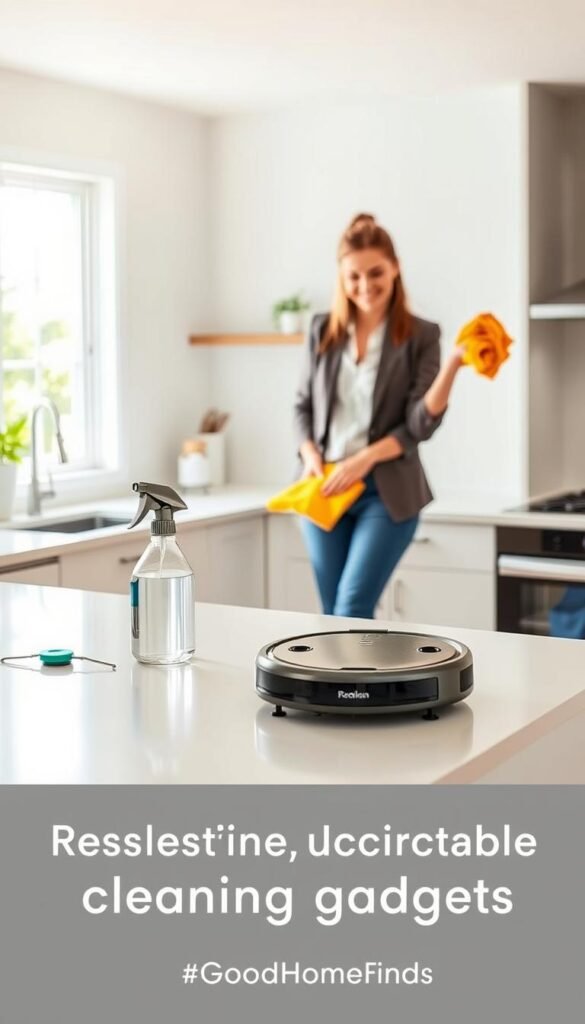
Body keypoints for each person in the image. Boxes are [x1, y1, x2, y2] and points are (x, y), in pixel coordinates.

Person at [293, 212, 464, 619]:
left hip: (385, 494)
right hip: (325, 487)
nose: (365, 286)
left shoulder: (422, 335)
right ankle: (339, 685)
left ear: (395, 268)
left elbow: (419, 424)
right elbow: (302, 406)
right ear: (341, 276)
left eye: (376, 274)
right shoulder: (322, 330)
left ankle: (356, 686)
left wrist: (454, 364)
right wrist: (312, 458)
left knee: (352, 606)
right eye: (353, 277)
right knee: (331, 612)